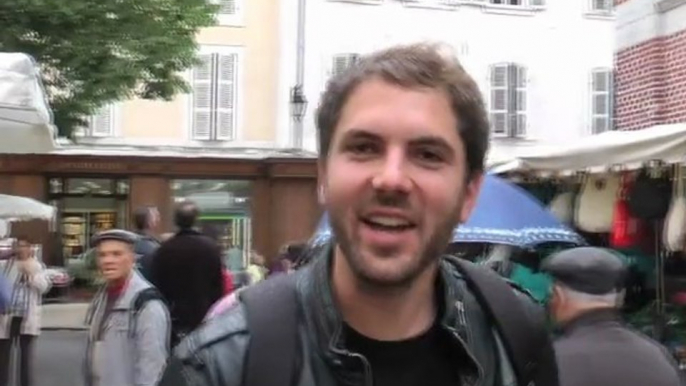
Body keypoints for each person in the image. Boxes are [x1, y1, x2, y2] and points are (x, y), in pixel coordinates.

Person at [159, 43, 550, 386]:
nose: (391, 179)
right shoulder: (217, 366)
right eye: (364, 148)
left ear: (469, 193)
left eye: (428, 155)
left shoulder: (515, 333)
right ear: (323, 177)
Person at [542, 247, 683, 386]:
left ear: (559, 296)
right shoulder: (658, 355)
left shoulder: (553, 361)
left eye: (551, 296)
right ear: (619, 299)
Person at [84, 229, 170, 386]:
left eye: (116, 254)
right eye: (103, 255)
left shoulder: (146, 304)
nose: (108, 260)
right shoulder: (101, 298)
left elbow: (152, 368)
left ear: (132, 258)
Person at [150, 200, 224, 347]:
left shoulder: (164, 249)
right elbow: (218, 284)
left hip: (172, 315)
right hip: (203, 314)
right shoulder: (210, 247)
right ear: (196, 220)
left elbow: (156, 282)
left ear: (176, 221)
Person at [0, 236, 51, 386]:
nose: (21, 249)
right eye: (19, 246)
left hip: (27, 317)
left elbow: (44, 287)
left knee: (26, 358)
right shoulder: (7, 265)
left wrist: (31, 274)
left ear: (30, 248)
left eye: (25, 246)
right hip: (8, 315)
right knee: (4, 356)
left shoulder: (36, 265)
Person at [132, 206, 161, 281]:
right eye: (156, 216)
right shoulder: (153, 247)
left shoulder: (129, 242)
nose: (159, 219)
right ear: (150, 222)